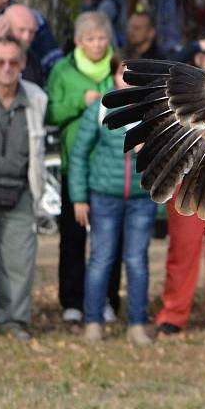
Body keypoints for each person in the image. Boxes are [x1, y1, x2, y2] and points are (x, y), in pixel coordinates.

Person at [68, 54, 156, 345]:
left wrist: (151, 146)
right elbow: (79, 154)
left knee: (137, 261)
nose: (129, 81)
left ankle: (137, 324)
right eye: (124, 74)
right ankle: (93, 321)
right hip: (104, 197)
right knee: (100, 259)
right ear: (114, 77)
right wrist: (79, 198)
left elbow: (169, 154)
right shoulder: (100, 108)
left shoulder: (153, 111)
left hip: (142, 198)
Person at [155, 27, 205, 336]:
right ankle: (173, 314)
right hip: (187, 181)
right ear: (196, 56)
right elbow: (168, 65)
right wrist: (192, 44)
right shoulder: (180, 88)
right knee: (182, 252)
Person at [47, 11, 121, 325]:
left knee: (109, 240)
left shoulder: (118, 69)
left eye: (102, 38)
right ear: (78, 41)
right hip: (74, 168)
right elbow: (51, 110)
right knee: (73, 237)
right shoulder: (63, 70)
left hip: (109, 169)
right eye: (90, 39)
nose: (96, 44)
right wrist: (81, 101)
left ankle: (108, 298)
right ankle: (72, 300)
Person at [0, 34, 47, 341]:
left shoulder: (36, 97)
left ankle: (14, 321)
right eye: (0, 62)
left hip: (20, 190)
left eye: (13, 62)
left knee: (19, 262)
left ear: (22, 64)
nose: (7, 68)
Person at [0, 4, 44, 86]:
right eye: (21, 30)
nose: (27, 37)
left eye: (31, 32)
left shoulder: (32, 58)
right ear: (4, 28)